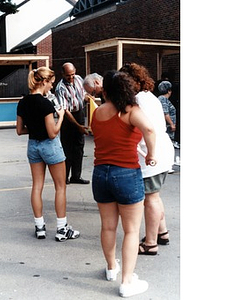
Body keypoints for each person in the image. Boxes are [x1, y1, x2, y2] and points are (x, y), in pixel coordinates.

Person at [91, 70, 156, 297]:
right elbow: (149, 129)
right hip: (126, 173)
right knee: (131, 230)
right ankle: (127, 282)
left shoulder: (97, 112)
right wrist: (151, 154)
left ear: (105, 90)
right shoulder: (130, 111)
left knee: (108, 226)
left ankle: (111, 268)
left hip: (100, 174)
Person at [16, 66, 80, 242]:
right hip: (50, 146)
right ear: (43, 82)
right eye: (50, 84)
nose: (51, 87)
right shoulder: (46, 104)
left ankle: (40, 227)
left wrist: (36, 129)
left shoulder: (23, 102)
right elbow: (52, 133)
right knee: (60, 187)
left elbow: (20, 130)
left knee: (37, 186)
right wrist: (60, 117)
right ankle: (61, 229)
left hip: (33, 146)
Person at [120, 62, 174, 255]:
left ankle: (151, 243)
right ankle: (162, 232)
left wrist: (149, 153)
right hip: (163, 150)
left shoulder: (138, 100)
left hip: (152, 154)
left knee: (150, 199)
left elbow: (147, 129)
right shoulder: (149, 96)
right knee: (155, 196)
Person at [55, 62, 90, 184]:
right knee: (67, 149)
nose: (71, 78)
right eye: (68, 75)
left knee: (79, 148)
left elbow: (84, 94)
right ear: (63, 74)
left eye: (73, 74)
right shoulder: (60, 88)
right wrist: (78, 126)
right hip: (68, 118)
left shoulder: (79, 79)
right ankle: (65, 177)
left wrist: (87, 98)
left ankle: (76, 176)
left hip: (80, 113)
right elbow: (65, 110)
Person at [158, 81, 179, 149]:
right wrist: (171, 124)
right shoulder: (163, 99)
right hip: (167, 127)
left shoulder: (162, 99)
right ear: (169, 91)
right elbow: (165, 113)